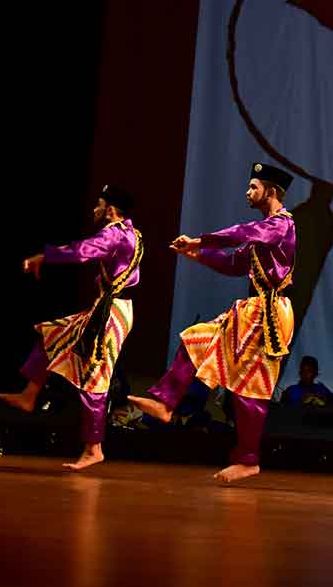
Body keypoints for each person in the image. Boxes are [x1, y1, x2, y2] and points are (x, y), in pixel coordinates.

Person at [129, 163, 295, 483]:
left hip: (268, 316)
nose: (247, 192)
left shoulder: (281, 226)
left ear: (271, 192)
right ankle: (165, 403)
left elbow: (240, 233)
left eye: (253, 187)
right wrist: (196, 255)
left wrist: (198, 241)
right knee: (196, 338)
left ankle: (248, 459)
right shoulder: (266, 233)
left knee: (250, 388)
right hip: (253, 312)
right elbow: (235, 263)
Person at [0, 185, 142, 471]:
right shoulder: (131, 232)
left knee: (94, 375)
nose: (94, 210)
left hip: (111, 313)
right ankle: (29, 395)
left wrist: (45, 256)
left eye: (99, 204)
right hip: (106, 309)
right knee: (51, 333)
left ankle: (93, 447)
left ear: (111, 209)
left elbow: (82, 252)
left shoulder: (115, 233)